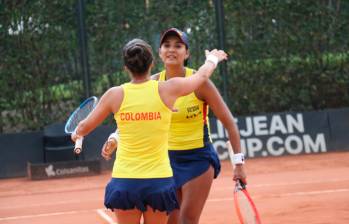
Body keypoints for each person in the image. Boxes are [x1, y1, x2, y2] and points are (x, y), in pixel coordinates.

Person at [72, 38, 228, 224]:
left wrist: (76, 134)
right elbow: (201, 76)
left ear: (126, 67)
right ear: (152, 63)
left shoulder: (114, 94)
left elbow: (83, 128)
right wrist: (212, 59)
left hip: (125, 181)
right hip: (158, 182)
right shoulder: (168, 89)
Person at [102, 29, 245, 224]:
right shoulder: (152, 83)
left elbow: (229, 123)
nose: (172, 50)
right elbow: (132, 117)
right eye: (166, 45)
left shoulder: (200, 83)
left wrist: (239, 164)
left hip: (198, 159)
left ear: (186, 54)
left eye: (178, 46)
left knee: (187, 220)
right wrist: (115, 138)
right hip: (165, 163)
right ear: (159, 53)